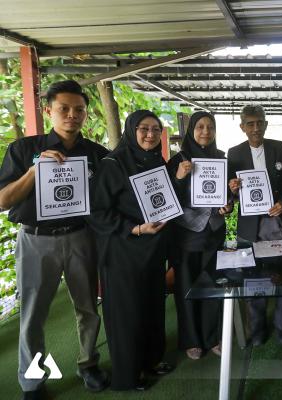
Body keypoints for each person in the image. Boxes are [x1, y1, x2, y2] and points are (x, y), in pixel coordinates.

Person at [0, 80, 109, 399]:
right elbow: (3, 200)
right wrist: (35, 171)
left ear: (86, 114)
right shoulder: (23, 150)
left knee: (88, 307)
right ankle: (32, 381)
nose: (72, 115)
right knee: (33, 314)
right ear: (49, 111)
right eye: (64, 108)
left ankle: (88, 364)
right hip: (36, 241)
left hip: (81, 237)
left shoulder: (96, 154)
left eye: (79, 109)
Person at [88, 110, 174, 390]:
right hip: (122, 251)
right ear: (131, 130)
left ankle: (151, 360)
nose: (150, 134)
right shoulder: (113, 163)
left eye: (156, 129)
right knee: (127, 314)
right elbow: (96, 211)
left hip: (152, 250)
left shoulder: (156, 160)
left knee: (152, 307)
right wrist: (134, 228)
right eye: (143, 128)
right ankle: (128, 375)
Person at [227, 105, 282, 345]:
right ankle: (257, 331)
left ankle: (281, 327)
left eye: (260, 123)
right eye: (250, 123)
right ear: (242, 127)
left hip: (279, 223)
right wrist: (233, 189)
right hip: (251, 227)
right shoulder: (234, 153)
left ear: (266, 124)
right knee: (253, 280)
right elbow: (231, 191)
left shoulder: (280, 147)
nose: (256, 128)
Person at [166, 111, 229, 360]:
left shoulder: (221, 158)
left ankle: (212, 336)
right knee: (187, 287)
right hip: (187, 234)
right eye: (200, 126)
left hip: (214, 231)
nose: (205, 131)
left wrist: (228, 204)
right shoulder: (177, 160)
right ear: (191, 130)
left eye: (210, 127)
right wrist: (179, 178)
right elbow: (167, 199)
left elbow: (227, 196)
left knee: (213, 285)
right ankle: (191, 340)